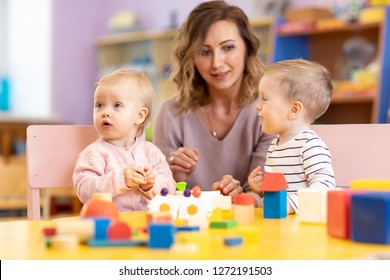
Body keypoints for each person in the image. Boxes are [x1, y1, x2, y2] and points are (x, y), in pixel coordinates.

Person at [153, 0, 275, 207]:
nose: (217, 63)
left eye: (228, 48)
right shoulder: (170, 113)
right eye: (205, 51)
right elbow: (159, 195)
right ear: (191, 57)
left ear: (247, 48)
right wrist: (174, 177)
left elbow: (265, 194)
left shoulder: (269, 111)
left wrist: (239, 198)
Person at [73, 69, 176, 212]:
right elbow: (84, 191)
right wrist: (119, 180)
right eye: (99, 105)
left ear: (139, 116)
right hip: (109, 224)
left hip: (148, 223)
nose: (105, 112)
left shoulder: (152, 152)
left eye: (117, 105)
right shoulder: (93, 153)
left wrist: (152, 185)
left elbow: (170, 188)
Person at [248, 59, 336, 214]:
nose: (258, 105)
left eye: (265, 99)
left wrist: (289, 204)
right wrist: (262, 190)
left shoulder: (310, 145)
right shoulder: (275, 146)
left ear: (294, 110)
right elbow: (281, 193)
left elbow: (325, 188)